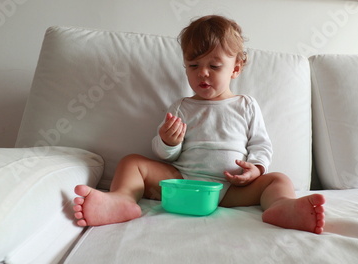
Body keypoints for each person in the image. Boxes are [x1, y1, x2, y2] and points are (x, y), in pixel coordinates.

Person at [73, 15, 325, 234]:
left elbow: (261, 144)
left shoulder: (246, 105)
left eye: (214, 66)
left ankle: (282, 207)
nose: (202, 73)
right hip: (184, 181)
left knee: (279, 179)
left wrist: (255, 170)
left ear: (235, 69)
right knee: (132, 162)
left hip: (232, 189)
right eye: (193, 65)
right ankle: (121, 200)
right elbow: (164, 155)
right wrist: (168, 142)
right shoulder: (181, 107)